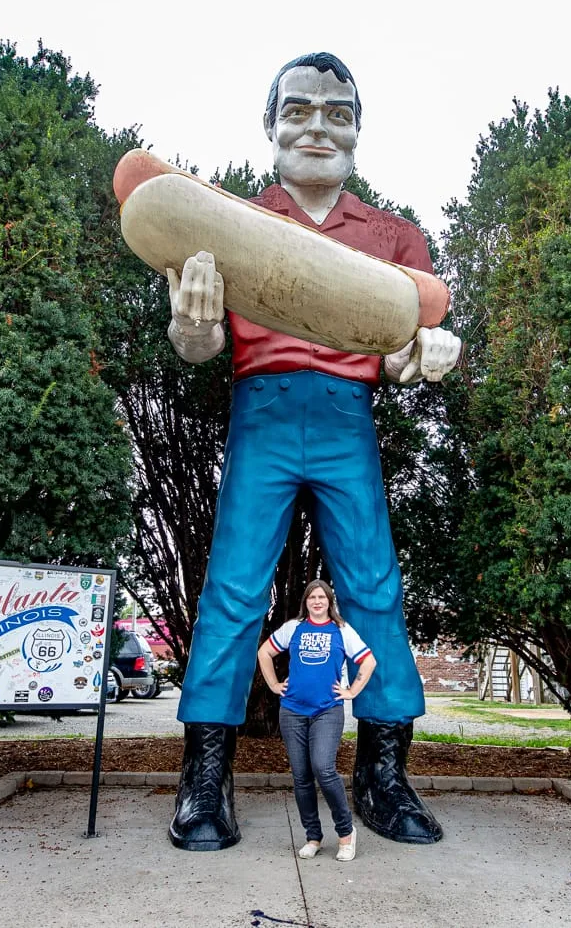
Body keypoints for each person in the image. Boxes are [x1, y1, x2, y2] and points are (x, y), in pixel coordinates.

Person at [166, 51, 462, 851]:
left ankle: (383, 771)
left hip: (344, 416)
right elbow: (198, 344)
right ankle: (205, 773)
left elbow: (403, 351)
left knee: (373, 585)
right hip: (262, 407)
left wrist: (423, 355)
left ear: (359, 132)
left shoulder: (395, 236)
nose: (318, 127)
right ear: (270, 128)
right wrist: (191, 321)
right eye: (298, 110)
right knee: (232, 588)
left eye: (338, 114)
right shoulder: (229, 219)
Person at [258, 580, 375, 861]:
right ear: (306, 601)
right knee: (301, 777)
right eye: (312, 597)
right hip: (293, 711)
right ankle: (313, 837)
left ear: (329, 601)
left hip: (327, 711)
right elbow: (265, 652)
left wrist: (352, 691)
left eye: (322, 597)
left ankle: (346, 834)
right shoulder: (293, 628)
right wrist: (274, 685)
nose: (317, 601)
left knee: (323, 768)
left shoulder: (341, 630)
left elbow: (368, 661)